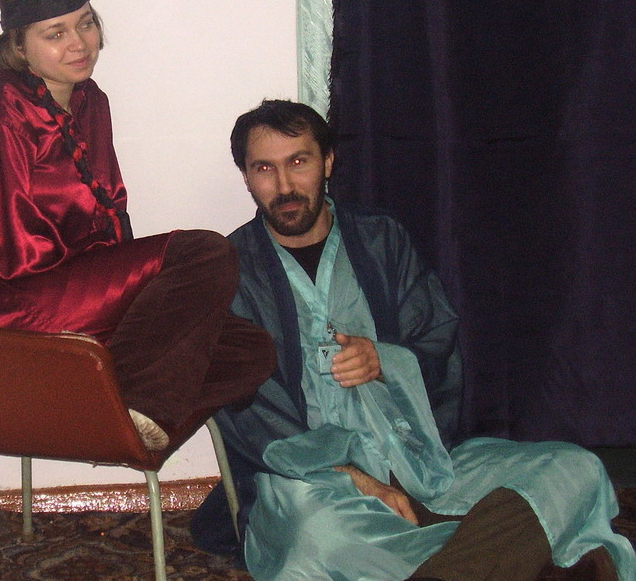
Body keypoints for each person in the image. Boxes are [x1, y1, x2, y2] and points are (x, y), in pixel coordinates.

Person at [191, 99, 635, 581]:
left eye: (299, 161)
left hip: (418, 459)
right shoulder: (231, 272)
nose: (284, 186)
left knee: (575, 470)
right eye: (264, 168)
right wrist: (358, 480)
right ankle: (504, 554)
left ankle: (454, 562)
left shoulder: (382, 239)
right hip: (318, 483)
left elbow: (437, 341)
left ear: (328, 162)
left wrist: (384, 361)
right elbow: (244, 411)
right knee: (318, 538)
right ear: (246, 177)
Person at [0, 0, 275, 451]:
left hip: (73, 286)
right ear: (18, 46)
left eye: (85, 24)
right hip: (10, 299)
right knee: (204, 252)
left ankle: (104, 405)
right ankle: (135, 405)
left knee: (251, 349)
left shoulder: (90, 101)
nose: (79, 43)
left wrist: (125, 290)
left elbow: (107, 217)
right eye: (55, 33)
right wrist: (120, 289)